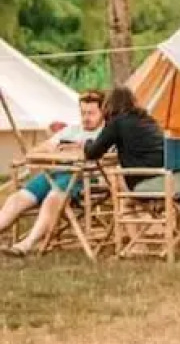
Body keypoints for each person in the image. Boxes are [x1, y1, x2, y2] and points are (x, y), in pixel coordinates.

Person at [2, 90, 105, 256]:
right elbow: (41, 149)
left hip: (83, 177)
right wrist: (51, 150)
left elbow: (104, 157)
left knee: (53, 198)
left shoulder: (106, 133)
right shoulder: (72, 130)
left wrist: (76, 150)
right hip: (55, 172)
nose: (86, 117)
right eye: (83, 112)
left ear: (103, 112)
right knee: (18, 198)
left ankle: (26, 244)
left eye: (91, 113)